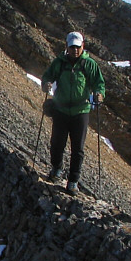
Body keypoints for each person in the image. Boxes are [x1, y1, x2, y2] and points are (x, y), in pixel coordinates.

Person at [41, 31, 105, 194]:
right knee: (57, 143)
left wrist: (99, 94)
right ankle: (57, 169)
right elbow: (48, 76)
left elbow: (99, 83)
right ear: (67, 47)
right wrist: (46, 83)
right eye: (72, 47)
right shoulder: (59, 63)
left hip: (80, 110)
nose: (75, 50)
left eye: (77, 47)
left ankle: (73, 181)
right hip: (61, 109)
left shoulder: (89, 64)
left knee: (78, 149)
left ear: (82, 46)